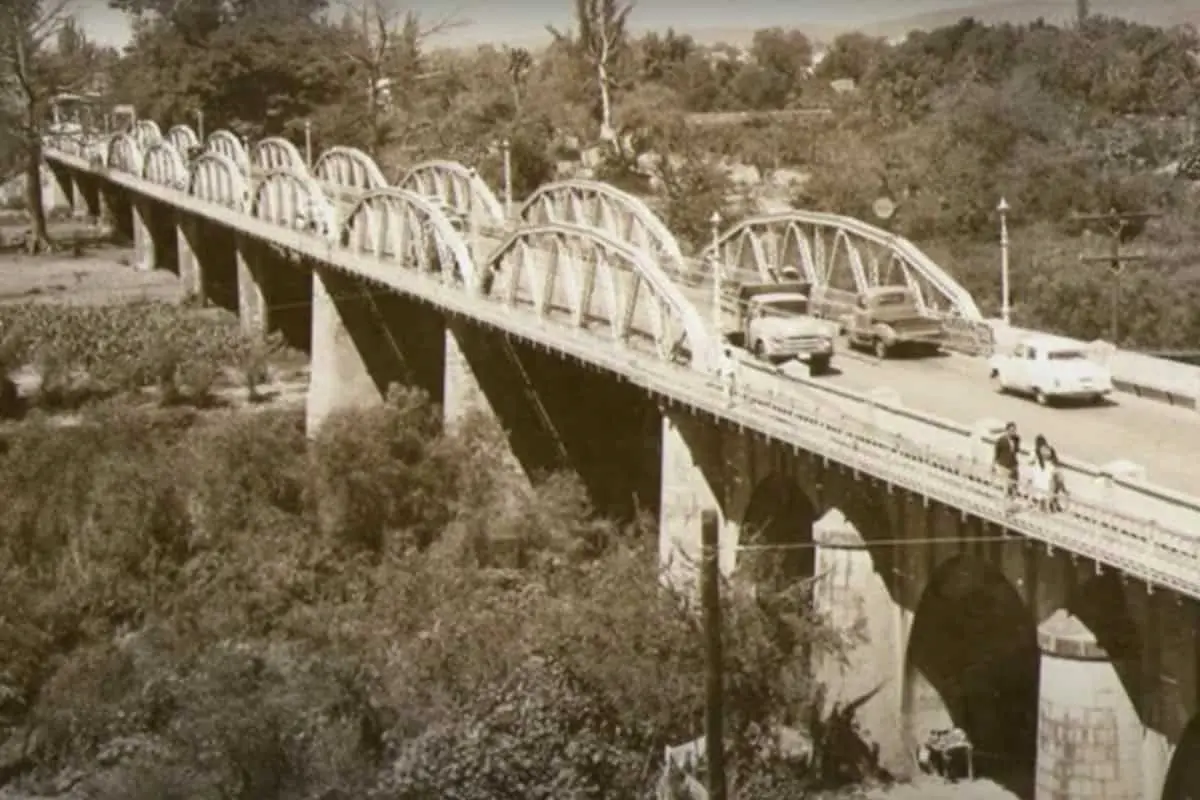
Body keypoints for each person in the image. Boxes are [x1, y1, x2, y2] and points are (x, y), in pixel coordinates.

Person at [1030, 435, 1067, 511]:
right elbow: (1060, 479)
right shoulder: (1052, 466)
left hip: (1041, 491)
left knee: (1042, 508)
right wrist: (1064, 490)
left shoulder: (1039, 463)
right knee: (1045, 509)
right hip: (1046, 492)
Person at [993, 421, 1021, 502]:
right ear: (1007, 430)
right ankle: (1004, 502)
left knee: (1014, 484)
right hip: (1004, 465)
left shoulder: (1017, 439)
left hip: (1013, 465)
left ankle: (1011, 500)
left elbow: (1016, 450)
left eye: (1014, 430)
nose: (1013, 432)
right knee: (1006, 485)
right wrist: (993, 465)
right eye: (1011, 430)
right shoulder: (1001, 440)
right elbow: (996, 454)